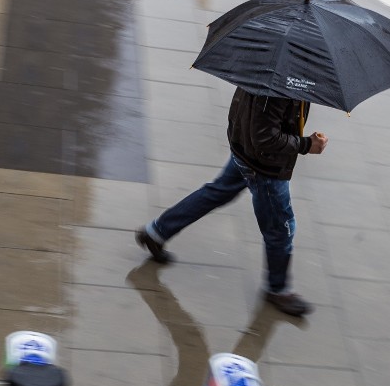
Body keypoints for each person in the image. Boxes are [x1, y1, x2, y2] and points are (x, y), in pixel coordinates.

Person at [136, 86, 328, 317]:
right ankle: (278, 289)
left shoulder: (268, 65)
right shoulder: (282, 86)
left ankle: (156, 232)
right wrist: (307, 145)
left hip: (243, 150)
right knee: (280, 229)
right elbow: (265, 137)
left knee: (218, 191)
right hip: (264, 167)